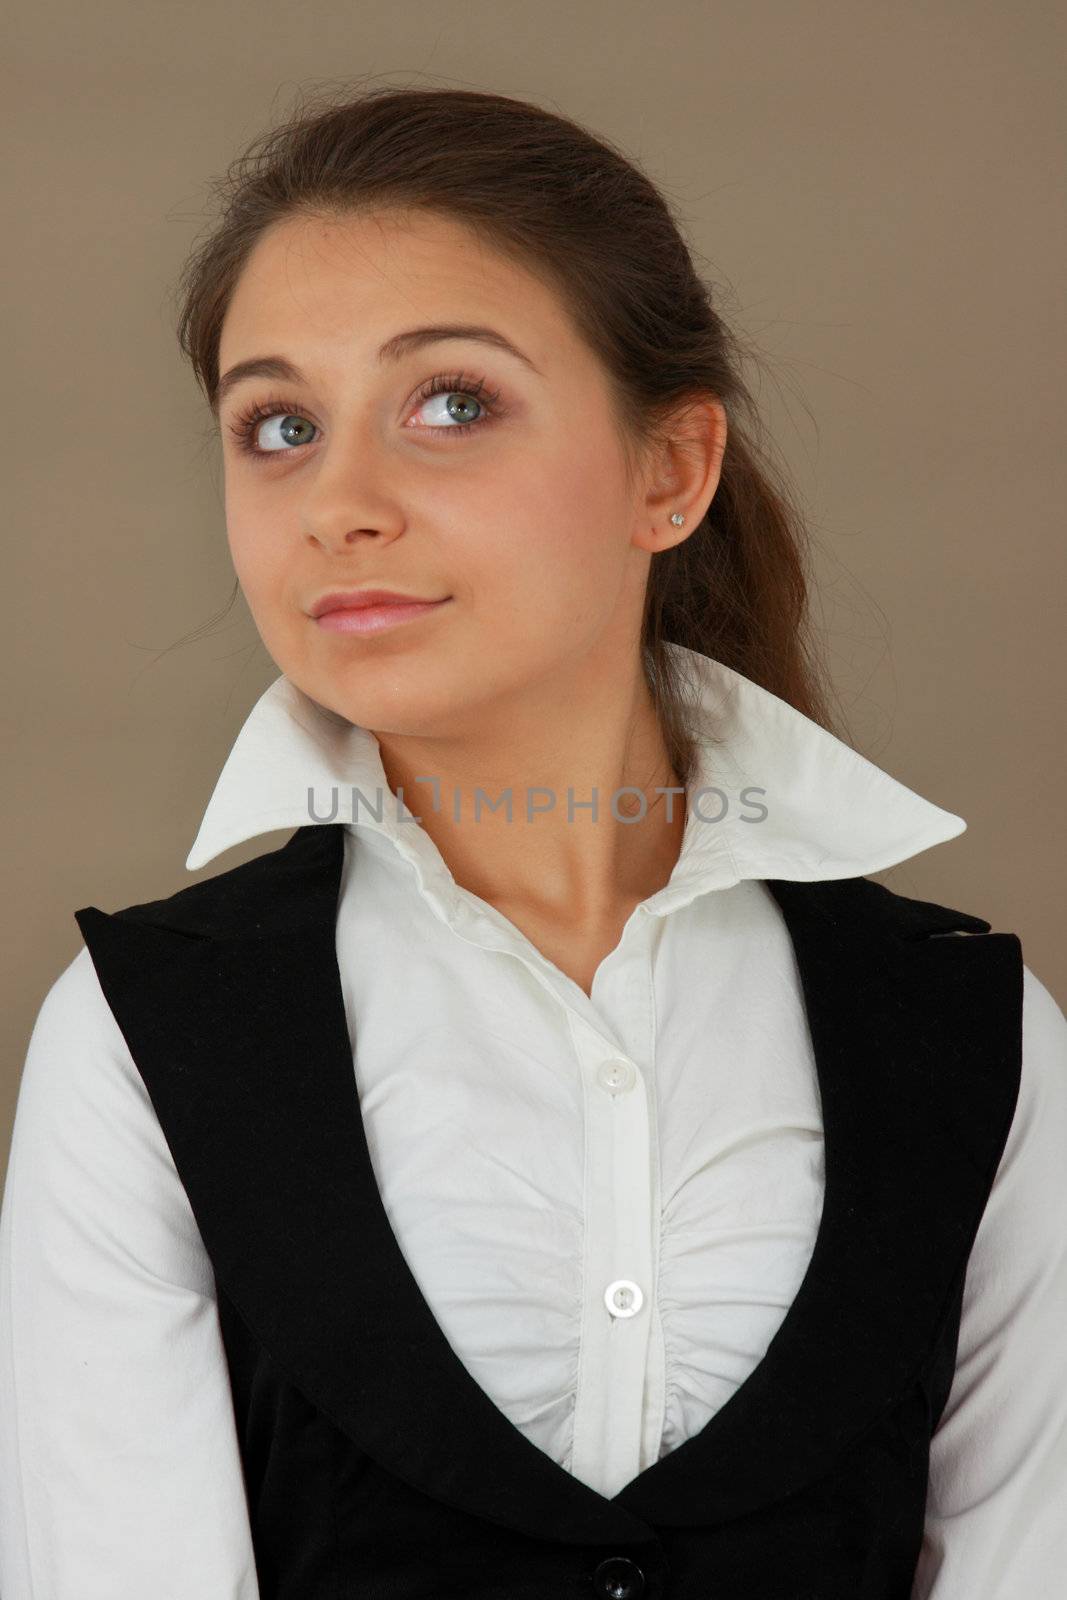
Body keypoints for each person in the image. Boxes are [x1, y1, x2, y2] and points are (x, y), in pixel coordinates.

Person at [1, 85, 1065, 1600]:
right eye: (278, 426)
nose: (339, 505)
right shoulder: (140, 1044)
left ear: (669, 473)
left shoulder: (980, 1040)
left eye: (450, 402)